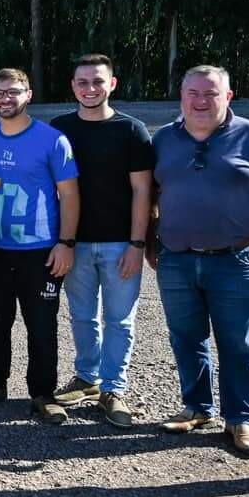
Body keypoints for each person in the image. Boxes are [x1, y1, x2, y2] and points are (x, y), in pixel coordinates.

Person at [150, 64, 249, 459]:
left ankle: (240, 418)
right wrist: (148, 241)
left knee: (237, 343)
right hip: (177, 259)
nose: (201, 101)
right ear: (181, 97)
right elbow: (147, 193)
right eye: (192, 93)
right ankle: (196, 408)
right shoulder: (163, 139)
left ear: (227, 96)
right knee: (186, 337)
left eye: (210, 93)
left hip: (236, 260)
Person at [50, 54, 155, 427]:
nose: (90, 89)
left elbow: (143, 191)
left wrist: (137, 244)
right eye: (83, 82)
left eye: (98, 82)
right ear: (73, 86)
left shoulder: (131, 130)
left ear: (112, 84)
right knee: (81, 315)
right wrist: (60, 240)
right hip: (73, 243)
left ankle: (114, 388)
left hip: (119, 244)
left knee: (120, 319)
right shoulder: (59, 129)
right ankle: (87, 378)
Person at [0, 68, 80, 421]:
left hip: (41, 252)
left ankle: (43, 393)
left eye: (13, 91)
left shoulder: (52, 140)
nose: (5, 98)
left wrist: (66, 243)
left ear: (28, 95)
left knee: (42, 325)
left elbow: (69, 195)